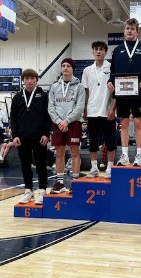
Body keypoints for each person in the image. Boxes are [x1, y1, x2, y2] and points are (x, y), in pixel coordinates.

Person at [108, 18, 141, 166]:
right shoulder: (118, 49)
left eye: (132, 29)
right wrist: (110, 82)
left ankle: (139, 155)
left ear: (137, 32)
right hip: (122, 92)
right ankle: (125, 155)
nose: (129, 31)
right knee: (124, 122)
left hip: (138, 91)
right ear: (124, 31)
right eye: (127, 28)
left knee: (138, 121)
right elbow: (112, 71)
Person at [11, 68, 51, 205]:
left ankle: (42, 190)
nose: (29, 81)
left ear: (36, 80)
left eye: (32, 78)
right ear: (23, 80)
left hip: (39, 137)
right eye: (27, 78)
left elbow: (47, 117)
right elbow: (13, 119)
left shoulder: (43, 95)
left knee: (41, 165)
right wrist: (14, 135)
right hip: (22, 137)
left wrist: (46, 134)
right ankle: (28, 190)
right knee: (25, 165)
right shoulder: (17, 97)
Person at [48, 58, 85, 193]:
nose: (65, 68)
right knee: (59, 153)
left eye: (68, 66)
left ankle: (75, 182)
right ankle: (59, 182)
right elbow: (51, 107)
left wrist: (67, 120)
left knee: (75, 153)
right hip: (58, 124)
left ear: (73, 68)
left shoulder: (79, 86)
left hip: (73, 123)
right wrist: (58, 121)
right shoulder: (54, 86)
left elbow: (80, 107)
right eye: (63, 65)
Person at [82, 41, 116, 178]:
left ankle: (110, 168)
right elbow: (86, 91)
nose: (98, 52)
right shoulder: (87, 70)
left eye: (101, 49)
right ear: (93, 51)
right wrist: (85, 109)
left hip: (107, 110)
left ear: (105, 52)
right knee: (93, 141)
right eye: (96, 49)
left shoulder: (112, 67)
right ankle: (94, 167)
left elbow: (116, 91)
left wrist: (113, 109)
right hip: (92, 110)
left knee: (110, 140)